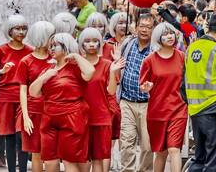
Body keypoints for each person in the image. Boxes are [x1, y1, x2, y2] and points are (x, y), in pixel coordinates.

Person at [29, 33, 95, 172]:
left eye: (55, 46)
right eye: (50, 46)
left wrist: (76, 56)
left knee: (69, 160)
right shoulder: (47, 70)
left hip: (72, 117)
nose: (51, 49)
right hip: (49, 118)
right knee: (49, 161)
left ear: (66, 47)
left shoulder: (75, 67)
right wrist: (44, 77)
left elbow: (90, 72)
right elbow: (33, 92)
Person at [182, 12, 216, 172]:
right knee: (215, 160)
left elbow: (183, 85)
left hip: (195, 111)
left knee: (199, 159)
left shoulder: (191, 48)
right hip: (215, 112)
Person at [139, 23, 187, 172]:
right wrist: (146, 87)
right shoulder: (149, 60)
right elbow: (142, 84)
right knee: (161, 153)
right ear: (158, 38)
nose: (170, 37)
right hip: (157, 111)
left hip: (179, 109)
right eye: (165, 34)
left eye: (171, 33)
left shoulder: (182, 57)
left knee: (174, 149)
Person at [0, 13, 33, 172]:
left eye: (24, 29)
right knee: (9, 136)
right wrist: (1, 71)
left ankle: (22, 169)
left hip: (24, 97)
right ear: (10, 31)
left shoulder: (30, 50)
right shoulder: (1, 50)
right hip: (6, 96)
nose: (21, 32)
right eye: (17, 29)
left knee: (22, 136)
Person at [115, 12, 154, 172]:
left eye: (149, 27)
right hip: (126, 101)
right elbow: (119, 68)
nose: (144, 30)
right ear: (136, 27)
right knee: (126, 142)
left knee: (147, 145)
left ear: (154, 30)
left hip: (147, 103)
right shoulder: (127, 44)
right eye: (142, 26)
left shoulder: (155, 49)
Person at [15, 21, 55, 172]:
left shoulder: (55, 59)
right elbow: (22, 91)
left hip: (53, 110)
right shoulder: (26, 61)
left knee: (52, 153)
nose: (53, 39)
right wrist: (25, 117)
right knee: (37, 153)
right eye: (51, 36)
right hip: (34, 112)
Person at [80, 27, 120, 172]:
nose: (91, 44)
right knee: (83, 159)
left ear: (100, 43)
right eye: (87, 41)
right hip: (81, 117)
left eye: (95, 41)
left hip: (101, 117)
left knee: (97, 159)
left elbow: (111, 91)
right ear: (81, 44)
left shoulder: (107, 64)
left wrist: (113, 71)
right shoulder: (77, 64)